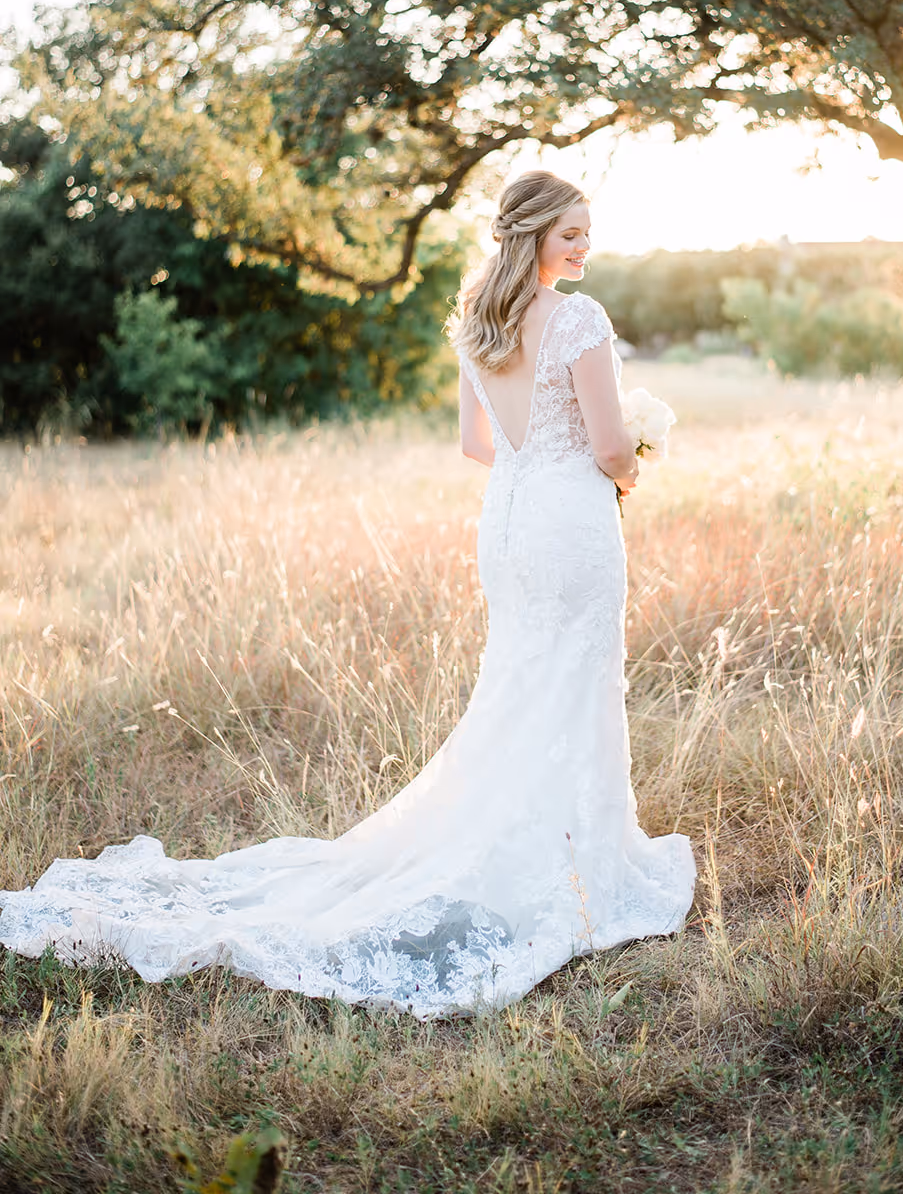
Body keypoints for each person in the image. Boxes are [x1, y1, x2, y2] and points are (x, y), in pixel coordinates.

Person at [0, 171, 695, 1016]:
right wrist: (635, 461)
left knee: (521, 682)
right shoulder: (579, 320)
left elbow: (479, 445)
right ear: (532, 237)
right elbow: (612, 445)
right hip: (569, 523)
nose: (584, 247)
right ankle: (577, 864)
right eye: (570, 235)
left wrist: (550, 458)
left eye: (588, 233)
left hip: (509, 520)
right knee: (569, 681)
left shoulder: (480, 321)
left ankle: (536, 845)